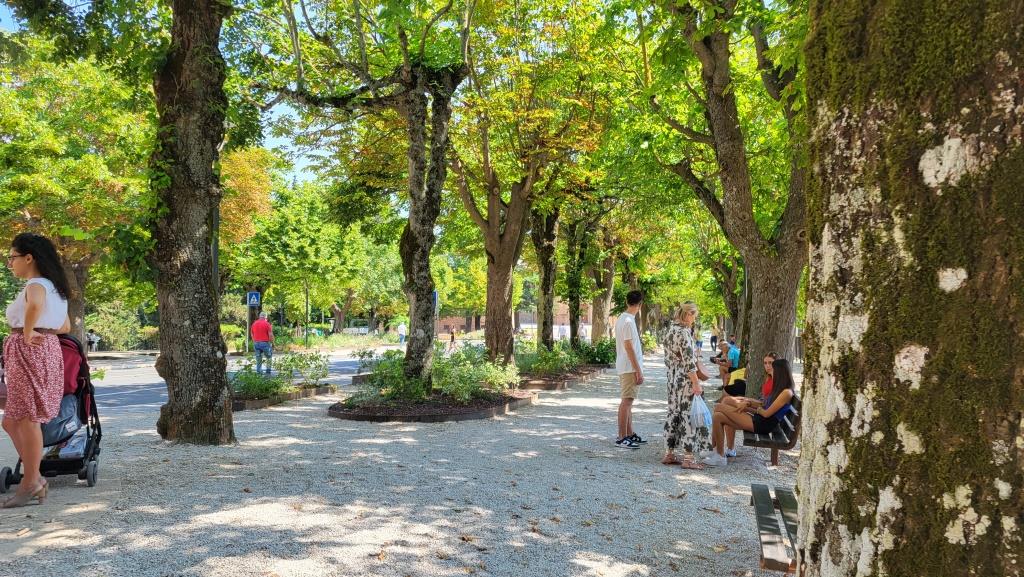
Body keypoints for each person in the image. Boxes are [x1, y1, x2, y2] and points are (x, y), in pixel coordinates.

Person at [2, 232, 71, 508]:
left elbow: (35, 304)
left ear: (28, 258)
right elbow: (65, 326)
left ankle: (30, 483)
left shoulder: (36, 284)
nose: (10, 263)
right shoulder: (56, 287)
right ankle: (36, 478)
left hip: (29, 351)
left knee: (26, 419)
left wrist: (29, 331)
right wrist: (41, 330)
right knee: (11, 421)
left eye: (12, 257)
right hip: (44, 349)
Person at [704, 357, 796, 467]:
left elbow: (766, 413)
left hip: (763, 424)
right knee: (718, 416)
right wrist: (747, 404)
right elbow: (764, 405)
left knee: (719, 407)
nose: (771, 371)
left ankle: (718, 455)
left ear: (780, 373)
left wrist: (748, 407)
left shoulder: (786, 392)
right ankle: (717, 452)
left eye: (773, 370)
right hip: (760, 419)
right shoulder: (779, 388)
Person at [661, 302, 710, 469]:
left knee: (673, 413)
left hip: (672, 379)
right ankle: (688, 458)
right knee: (689, 416)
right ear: (688, 314)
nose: (694, 319)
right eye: (694, 316)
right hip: (685, 380)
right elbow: (689, 362)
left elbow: (668, 359)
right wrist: (696, 383)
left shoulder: (670, 330)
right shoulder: (684, 332)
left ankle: (669, 452)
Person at [716, 353, 778, 456]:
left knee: (722, 411)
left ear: (777, 364)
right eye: (765, 363)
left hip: (763, 417)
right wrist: (746, 400)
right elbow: (763, 400)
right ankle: (728, 449)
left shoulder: (777, 381)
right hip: (761, 412)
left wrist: (748, 403)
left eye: (770, 363)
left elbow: (765, 405)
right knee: (727, 401)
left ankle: (718, 451)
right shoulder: (769, 378)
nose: (767, 366)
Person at [614, 290, 645, 449]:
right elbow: (629, 347)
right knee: (626, 401)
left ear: (627, 302)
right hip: (629, 367)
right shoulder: (628, 321)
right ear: (640, 305)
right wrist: (638, 369)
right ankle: (621, 437)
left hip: (626, 366)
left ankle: (629, 433)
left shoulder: (624, 319)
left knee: (629, 401)